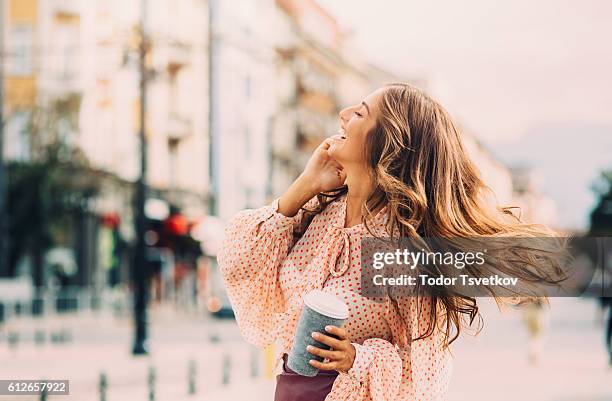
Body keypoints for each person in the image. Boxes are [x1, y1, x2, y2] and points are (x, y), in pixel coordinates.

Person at [218, 83, 565, 400]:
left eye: (360, 113)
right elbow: (237, 259)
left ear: (387, 143)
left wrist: (355, 358)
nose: (343, 114)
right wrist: (305, 185)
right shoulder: (318, 213)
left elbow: (424, 376)